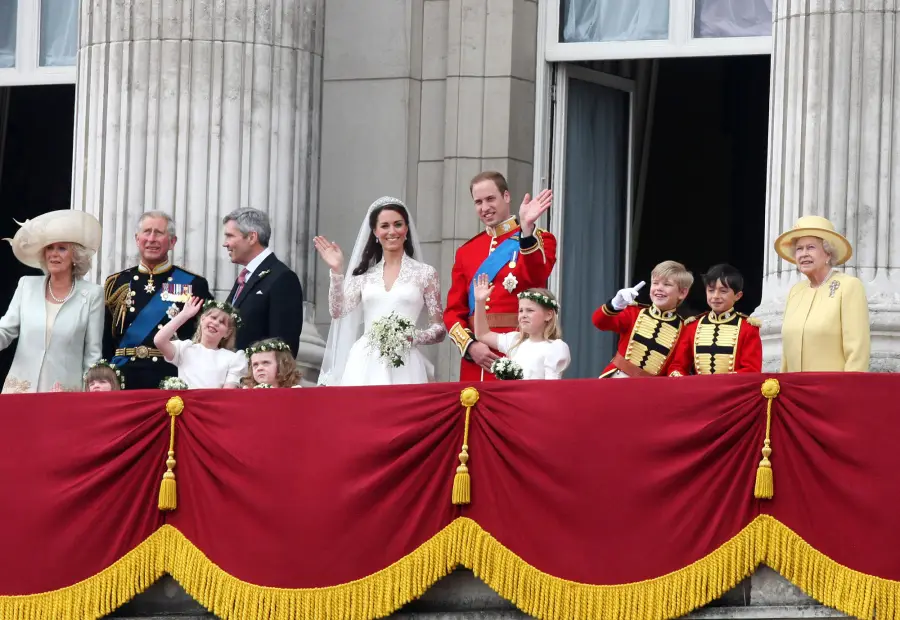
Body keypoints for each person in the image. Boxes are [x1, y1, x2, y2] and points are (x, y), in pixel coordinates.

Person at [314, 196, 446, 386]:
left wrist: (413, 337)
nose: (392, 231)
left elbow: (439, 329)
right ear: (375, 232)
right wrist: (337, 271)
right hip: (364, 361)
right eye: (384, 226)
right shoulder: (364, 276)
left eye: (398, 224)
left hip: (406, 361)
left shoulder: (425, 274)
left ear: (406, 229)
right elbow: (337, 311)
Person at [444, 171, 557, 381]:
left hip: (520, 349)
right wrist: (470, 346)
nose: (484, 208)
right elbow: (453, 312)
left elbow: (535, 276)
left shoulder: (539, 239)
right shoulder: (466, 252)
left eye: (490, 199)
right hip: (477, 360)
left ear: (506, 196)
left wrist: (526, 231)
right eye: (478, 202)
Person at [103, 211, 211, 390]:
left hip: (170, 378)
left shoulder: (193, 284)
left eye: (159, 233)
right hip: (123, 377)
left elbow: (199, 338)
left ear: (172, 242)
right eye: (147, 232)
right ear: (137, 239)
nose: (151, 239)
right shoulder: (116, 283)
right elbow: (106, 339)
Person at [0, 210, 104, 393]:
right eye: (50, 247)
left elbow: (92, 354)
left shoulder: (92, 294)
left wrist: (90, 396)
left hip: (63, 395)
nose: (54, 254)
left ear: (75, 256)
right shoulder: (26, 286)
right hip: (19, 392)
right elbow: (5, 330)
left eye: (62, 248)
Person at [775, 216, 870, 372]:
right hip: (794, 391)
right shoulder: (795, 292)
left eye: (811, 247)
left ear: (828, 254)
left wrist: (847, 391)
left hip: (831, 391)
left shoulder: (848, 286)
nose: (803, 254)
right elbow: (786, 355)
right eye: (799, 249)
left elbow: (857, 353)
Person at [223, 208, 304, 356]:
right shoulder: (246, 276)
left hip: (255, 376)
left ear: (252, 237)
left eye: (230, 236)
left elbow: (283, 345)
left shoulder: (283, 278)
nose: (225, 243)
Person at [592, 260, 693, 378]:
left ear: (682, 293)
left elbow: (676, 366)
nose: (659, 288)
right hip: (617, 378)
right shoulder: (633, 313)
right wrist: (614, 305)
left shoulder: (684, 329)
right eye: (655, 283)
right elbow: (600, 323)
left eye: (667, 284)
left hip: (649, 390)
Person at [667, 264, 762, 376]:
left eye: (723, 291)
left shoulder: (748, 328)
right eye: (711, 290)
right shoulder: (692, 326)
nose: (715, 296)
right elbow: (678, 366)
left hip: (732, 391)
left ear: (738, 296)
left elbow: (751, 370)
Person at [472, 275, 569, 379]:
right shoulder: (514, 341)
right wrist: (480, 302)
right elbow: (482, 334)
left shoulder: (555, 347)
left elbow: (551, 388)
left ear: (548, 315)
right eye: (520, 310)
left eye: (530, 310)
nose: (523, 315)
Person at [153, 297, 247, 389]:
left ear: (227, 333)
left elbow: (228, 393)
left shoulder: (233, 358)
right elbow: (159, 340)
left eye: (222, 322)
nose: (215, 323)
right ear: (202, 319)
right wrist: (184, 315)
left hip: (213, 403)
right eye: (213, 317)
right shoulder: (185, 348)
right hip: (185, 403)